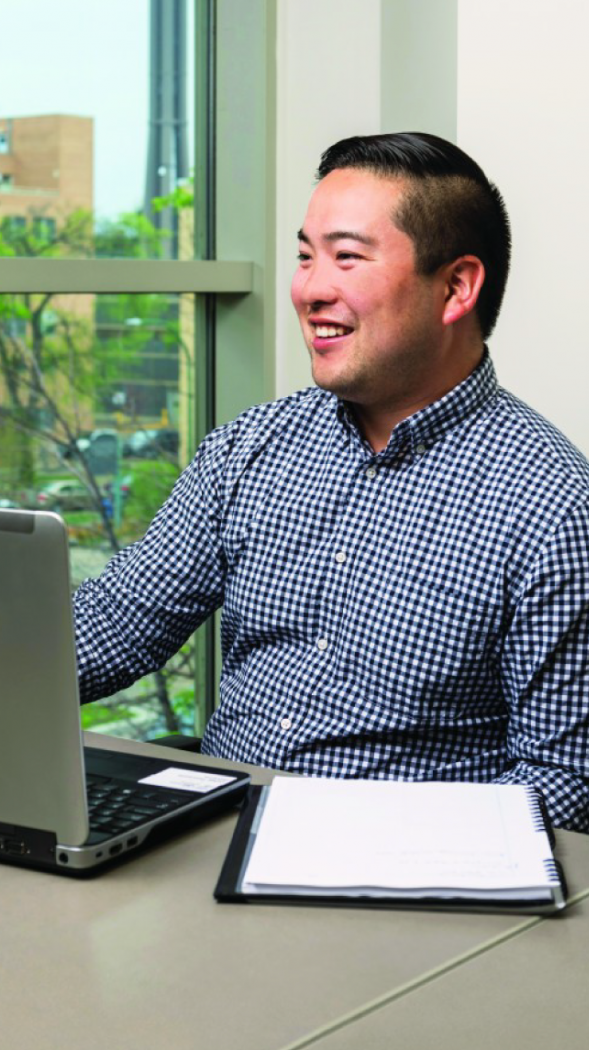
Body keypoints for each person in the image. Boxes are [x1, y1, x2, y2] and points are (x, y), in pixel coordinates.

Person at [74, 132, 589, 831]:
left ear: (456, 287)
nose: (310, 289)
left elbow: (564, 781)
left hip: (407, 874)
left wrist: (379, 849)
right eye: (305, 256)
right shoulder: (252, 447)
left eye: (347, 257)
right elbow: (121, 619)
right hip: (211, 839)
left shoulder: (554, 505)